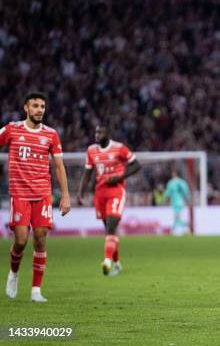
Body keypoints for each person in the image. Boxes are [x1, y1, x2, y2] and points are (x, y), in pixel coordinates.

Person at [2, 92, 71, 302]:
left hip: (42, 194)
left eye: (42, 106)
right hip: (20, 194)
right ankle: (13, 273)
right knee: (21, 241)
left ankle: (35, 291)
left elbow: (59, 166)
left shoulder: (51, 134)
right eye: (35, 106)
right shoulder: (12, 129)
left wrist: (66, 196)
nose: (39, 109)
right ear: (26, 108)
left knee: (40, 239)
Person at [78, 125, 141, 275]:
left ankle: (107, 262)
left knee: (111, 227)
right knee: (109, 231)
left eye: (100, 132)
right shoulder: (91, 150)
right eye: (96, 132)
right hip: (100, 194)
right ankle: (117, 263)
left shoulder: (120, 148)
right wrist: (81, 193)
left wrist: (120, 178)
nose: (97, 134)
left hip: (116, 192)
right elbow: (87, 174)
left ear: (108, 134)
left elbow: (137, 165)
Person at [164, 169, 191, 236]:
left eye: (173, 174)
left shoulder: (171, 182)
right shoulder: (182, 182)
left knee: (177, 216)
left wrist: (164, 200)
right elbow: (186, 192)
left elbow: (168, 193)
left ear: (174, 174)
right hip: (181, 201)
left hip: (175, 202)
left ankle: (186, 227)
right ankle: (176, 231)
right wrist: (188, 199)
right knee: (177, 217)